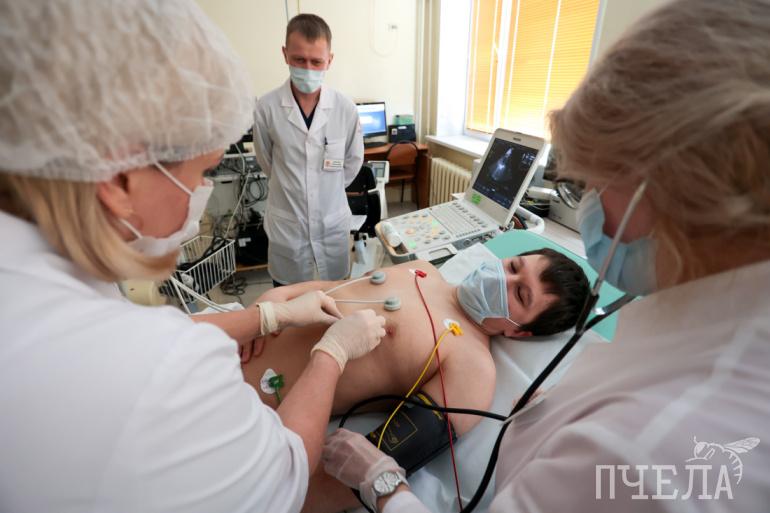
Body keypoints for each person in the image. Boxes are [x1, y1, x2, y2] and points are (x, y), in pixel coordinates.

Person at [321, 1, 770, 512]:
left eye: (594, 181)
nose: (588, 201)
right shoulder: (689, 328)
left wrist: (382, 482)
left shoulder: (651, 445)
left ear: (667, 189)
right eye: (513, 266)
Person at [0, 2, 386, 512]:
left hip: (330, 227)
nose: (202, 194)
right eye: (201, 174)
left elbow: (352, 163)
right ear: (118, 180)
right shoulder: (165, 365)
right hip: (291, 232)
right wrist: (331, 352)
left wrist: (265, 317)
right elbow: (286, 477)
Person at [241, 249, 589, 512]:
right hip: (234, 339)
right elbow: (332, 288)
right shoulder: (424, 270)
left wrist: (275, 502)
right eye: (513, 266)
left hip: (244, 411)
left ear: (520, 332)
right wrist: (276, 299)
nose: (504, 279)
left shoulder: (472, 368)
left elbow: (364, 468)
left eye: (520, 294)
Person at [254, 14, 364, 286]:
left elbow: (353, 162)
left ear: (330, 60)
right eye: (299, 60)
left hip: (332, 222)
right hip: (288, 225)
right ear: (285, 54)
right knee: (288, 297)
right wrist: (298, 184)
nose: (308, 68)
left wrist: (326, 186)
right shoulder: (266, 108)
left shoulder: (345, 109)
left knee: (335, 293)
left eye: (316, 62)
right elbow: (267, 161)